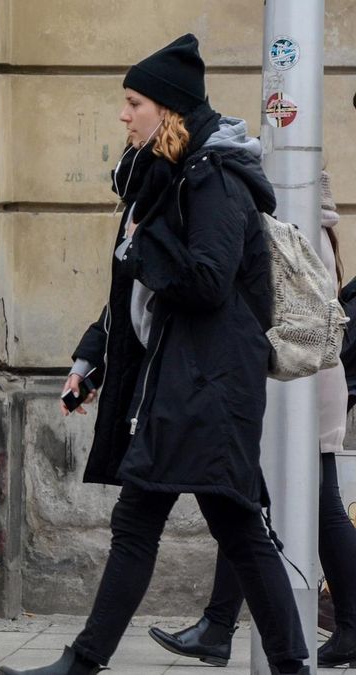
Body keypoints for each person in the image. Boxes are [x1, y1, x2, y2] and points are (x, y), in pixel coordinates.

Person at [0, 34, 309, 675]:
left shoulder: (214, 181)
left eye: (132, 102)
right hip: (182, 384)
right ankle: (287, 667)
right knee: (224, 529)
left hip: (209, 386)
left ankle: (85, 663)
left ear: (167, 110)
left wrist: (139, 251)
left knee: (199, 527)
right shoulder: (160, 182)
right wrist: (91, 359)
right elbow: (131, 298)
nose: (122, 114)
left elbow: (207, 280)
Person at [148, 170, 356, 669]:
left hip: (298, 390)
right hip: (306, 385)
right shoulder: (317, 233)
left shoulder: (289, 232)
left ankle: (221, 627)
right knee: (259, 507)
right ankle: (338, 626)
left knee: (250, 506)